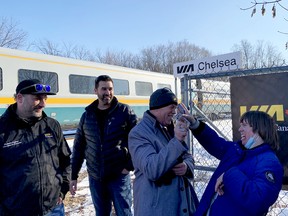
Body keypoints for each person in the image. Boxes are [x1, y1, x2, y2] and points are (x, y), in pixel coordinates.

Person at [181, 108, 284, 216]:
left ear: (259, 129)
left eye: (244, 125)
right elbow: (215, 143)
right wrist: (195, 124)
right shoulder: (237, 150)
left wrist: (228, 175)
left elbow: (258, 201)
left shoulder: (269, 162)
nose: (240, 129)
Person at [0, 79, 71, 216]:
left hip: (53, 209)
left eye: (45, 98)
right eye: (38, 98)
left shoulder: (52, 125)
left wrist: (62, 190)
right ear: (19, 98)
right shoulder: (3, 130)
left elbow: (65, 159)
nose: (43, 104)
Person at [70, 75, 137, 216]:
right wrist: (74, 175)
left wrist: (129, 166)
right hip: (96, 177)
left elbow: (137, 140)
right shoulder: (87, 115)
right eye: (104, 89)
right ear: (96, 90)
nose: (108, 92)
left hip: (118, 175)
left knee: (124, 213)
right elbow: (78, 147)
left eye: (110, 89)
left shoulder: (124, 111)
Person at [128, 88, 199, 216]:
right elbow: (151, 168)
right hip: (156, 209)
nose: (174, 112)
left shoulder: (169, 128)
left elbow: (187, 156)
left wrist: (186, 167)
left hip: (181, 205)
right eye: (171, 107)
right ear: (158, 107)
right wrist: (177, 140)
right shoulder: (138, 134)